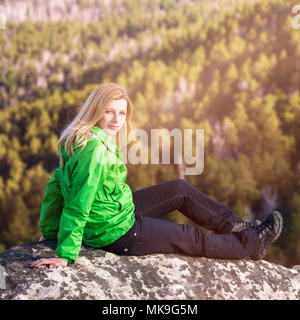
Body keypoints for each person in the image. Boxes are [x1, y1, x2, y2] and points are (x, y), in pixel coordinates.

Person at [30, 83, 283, 269]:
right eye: (109, 112)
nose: (116, 120)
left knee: (179, 189)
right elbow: (77, 205)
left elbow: (55, 188)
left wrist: (50, 230)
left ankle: (236, 225)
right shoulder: (94, 152)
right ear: (95, 110)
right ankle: (251, 244)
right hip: (117, 233)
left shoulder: (81, 138)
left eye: (122, 113)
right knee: (189, 237)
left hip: (117, 211)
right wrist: (65, 252)